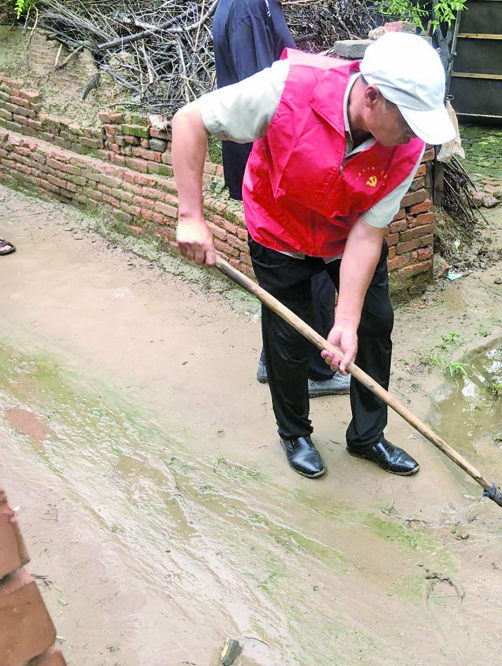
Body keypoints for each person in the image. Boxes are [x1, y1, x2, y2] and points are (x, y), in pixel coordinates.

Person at [171, 33, 455, 478]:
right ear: (372, 97)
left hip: (345, 233)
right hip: (279, 226)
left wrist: (346, 320)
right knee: (287, 335)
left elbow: (369, 233)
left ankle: (367, 436)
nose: (415, 134)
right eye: (408, 120)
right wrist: (191, 216)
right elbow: (190, 121)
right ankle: (295, 434)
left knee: (374, 324)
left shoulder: (408, 147)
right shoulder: (288, 87)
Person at [211, 0, 349, 396]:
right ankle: (314, 369)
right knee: (311, 263)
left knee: (285, 271)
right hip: (274, 164)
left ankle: (272, 359)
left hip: (271, 161)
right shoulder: (249, 8)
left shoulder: (252, 4)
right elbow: (267, 91)